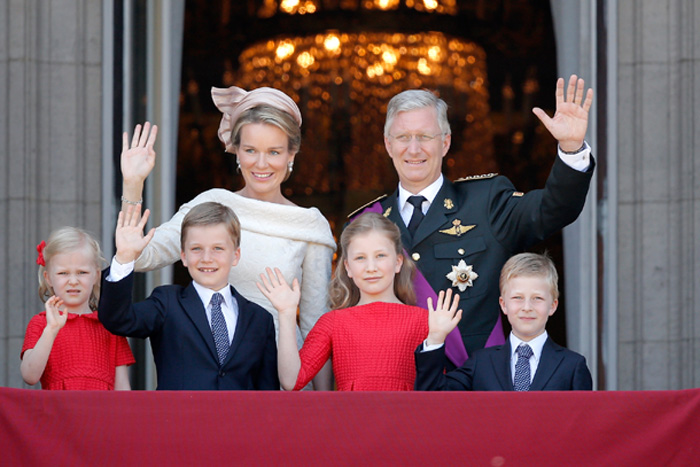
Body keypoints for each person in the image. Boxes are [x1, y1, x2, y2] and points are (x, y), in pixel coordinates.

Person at [350, 75, 595, 367]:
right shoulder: (365, 222)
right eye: (403, 137)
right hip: (393, 381)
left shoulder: (486, 201)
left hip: (473, 382)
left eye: (425, 137)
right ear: (388, 145)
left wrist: (571, 149)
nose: (413, 149)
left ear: (445, 142)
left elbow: (551, 210)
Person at [121, 86, 335, 389]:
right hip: (208, 374)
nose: (261, 164)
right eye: (250, 150)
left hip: (279, 375)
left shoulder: (310, 224)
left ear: (292, 153)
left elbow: (316, 326)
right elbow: (141, 256)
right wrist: (133, 184)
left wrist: (321, 403)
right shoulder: (211, 204)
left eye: (274, 152)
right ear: (236, 150)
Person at [258, 212, 460, 391]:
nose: (371, 267)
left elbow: (436, 392)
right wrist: (286, 313)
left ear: (398, 262)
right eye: (360, 258)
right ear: (347, 267)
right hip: (351, 427)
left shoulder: (426, 321)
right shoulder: (333, 322)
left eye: (380, 255)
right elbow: (292, 381)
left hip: (406, 426)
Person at [99, 202, 279, 390]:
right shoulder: (167, 303)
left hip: (239, 419)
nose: (207, 258)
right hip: (180, 419)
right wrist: (125, 257)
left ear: (235, 255)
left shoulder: (260, 319)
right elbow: (118, 319)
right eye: (196, 249)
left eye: (218, 248)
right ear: (183, 256)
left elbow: (267, 394)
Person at [414, 252, 592, 391]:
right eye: (517, 297)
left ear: (553, 306)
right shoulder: (481, 363)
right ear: (503, 305)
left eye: (537, 298)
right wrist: (436, 338)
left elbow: (582, 425)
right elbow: (434, 396)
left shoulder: (572, 366)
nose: (527, 307)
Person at [20, 228, 134, 390]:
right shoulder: (41, 324)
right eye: (63, 273)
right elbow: (29, 376)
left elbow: (123, 390)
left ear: (95, 275)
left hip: (101, 414)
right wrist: (51, 330)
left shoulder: (110, 327)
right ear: (48, 278)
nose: (73, 281)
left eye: (82, 272)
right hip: (59, 414)